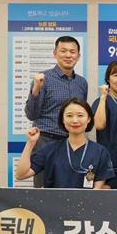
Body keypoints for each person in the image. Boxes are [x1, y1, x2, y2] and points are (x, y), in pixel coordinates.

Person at [15, 97, 114, 234]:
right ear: (62, 120)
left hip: (83, 217)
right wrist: (30, 144)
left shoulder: (100, 152)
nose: (75, 120)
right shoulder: (50, 149)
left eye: (80, 115)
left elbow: (98, 190)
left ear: (89, 119)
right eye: (69, 115)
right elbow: (21, 174)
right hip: (49, 215)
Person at [24, 36, 88, 188]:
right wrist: (35, 90)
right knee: (43, 188)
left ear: (78, 56)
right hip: (46, 141)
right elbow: (31, 115)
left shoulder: (82, 83)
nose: (68, 55)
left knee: (72, 187)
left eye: (72, 52)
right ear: (55, 54)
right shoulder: (43, 79)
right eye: (63, 51)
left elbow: (82, 114)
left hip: (72, 142)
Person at [92, 60, 117, 189]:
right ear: (108, 79)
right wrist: (103, 96)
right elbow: (99, 125)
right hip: (110, 167)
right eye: (116, 75)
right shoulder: (102, 102)